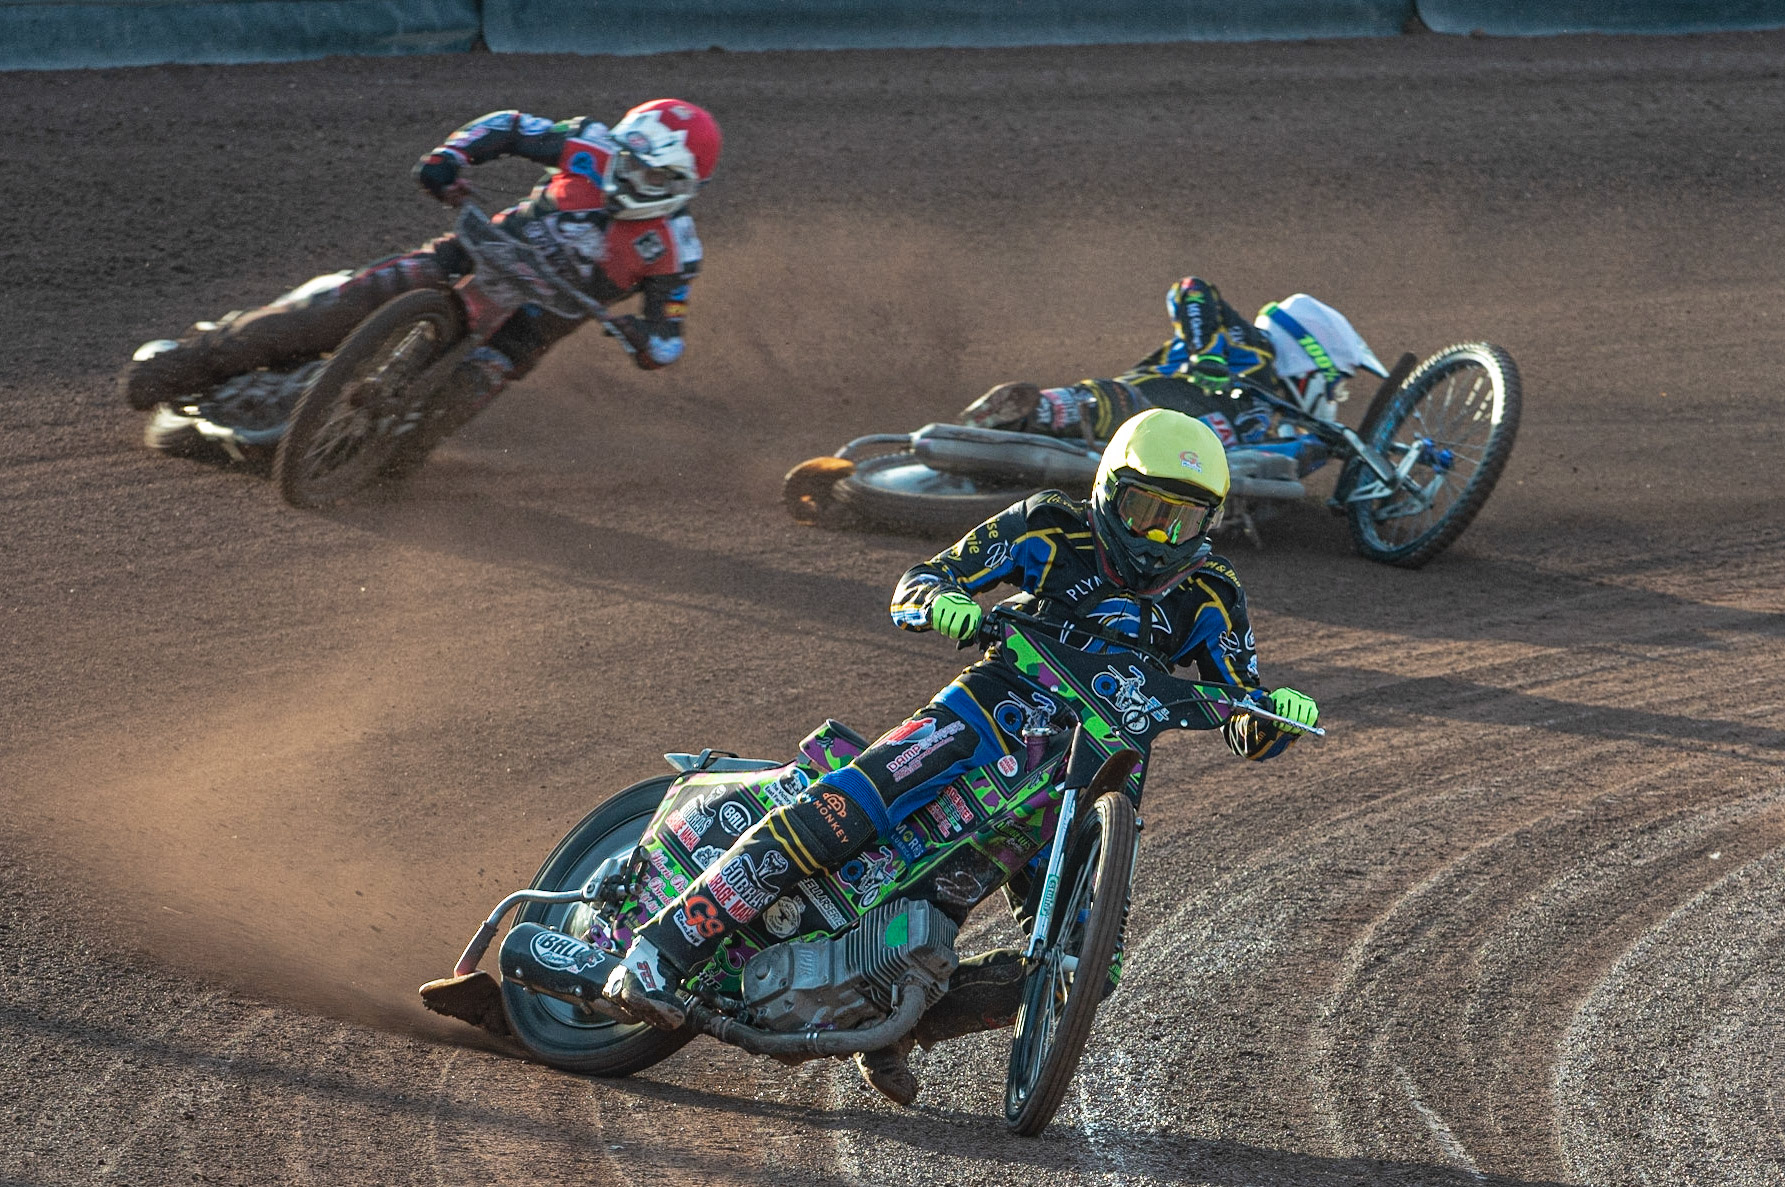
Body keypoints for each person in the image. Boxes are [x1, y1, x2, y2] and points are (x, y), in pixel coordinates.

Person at [595, 408, 1321, 1103]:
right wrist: (941, 603)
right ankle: (664, 947)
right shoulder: (1049, 524)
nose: (1159, 535)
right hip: (986, 711)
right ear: (1107, 491)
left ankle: (893, 1028)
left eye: (1181, 519)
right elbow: (923, 580)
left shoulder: (1211, 593)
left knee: (1084, 967)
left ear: (1209, 523)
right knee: (842, 811)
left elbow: (1244, 712)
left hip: (1095, 773)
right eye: (1144, 511)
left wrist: (1279, 711)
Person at [120, 99, 722, 450]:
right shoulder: (589, 145)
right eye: (626, 160)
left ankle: (373, 463)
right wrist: (450, 156)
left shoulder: (675, 250)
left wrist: (650, 343)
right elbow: (509, 127)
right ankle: (187, 361)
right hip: (476, 253)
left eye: (646, 175)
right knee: (342, 306)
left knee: (450, 407)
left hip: (530, 326)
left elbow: (669, 335)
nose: (625, 176)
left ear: (679, 187)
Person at [960, 276, 1389, 449]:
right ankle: (1020, 413)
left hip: (1174, 461)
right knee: (1122, 404)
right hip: (1144, 403)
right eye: (1336, 384)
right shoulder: (1253, 349)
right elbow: (1191, 288)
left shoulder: (1274, 410)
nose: (1334, 397)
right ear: (1314, 357)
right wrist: (1205, 355)